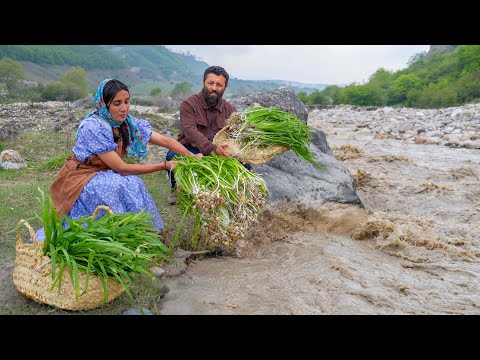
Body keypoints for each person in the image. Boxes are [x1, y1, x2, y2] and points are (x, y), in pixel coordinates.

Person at [34, 78, 201, 241]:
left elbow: (166, 141)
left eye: (127, 102)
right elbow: (121, 168)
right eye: (117, 103)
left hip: (105, 172)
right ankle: (110, 234)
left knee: (133, 182)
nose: (124, 108)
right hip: (82, 177)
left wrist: (192, 157)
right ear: (104, 104)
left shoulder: (127, 123)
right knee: (116, 184)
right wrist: (165, 165)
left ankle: (141, 234)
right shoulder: (93, 127)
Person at [165, 65, 251, 205]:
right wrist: (212, 148)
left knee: (245, 165)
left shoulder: (230, 110)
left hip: (217, 152)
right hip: (191, 148)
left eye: (219, 85)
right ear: (203, 82)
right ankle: (175, 188)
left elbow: (236, 136)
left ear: (225, 87)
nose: (214, 88)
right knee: (172, 155)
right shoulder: (189, 104)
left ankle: (234, 194)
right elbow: (190, 132)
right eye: (210, 83)